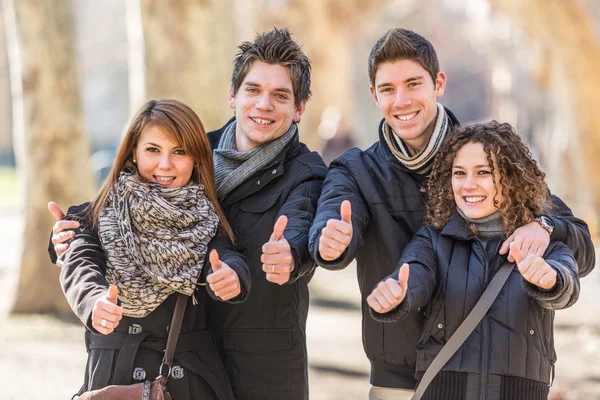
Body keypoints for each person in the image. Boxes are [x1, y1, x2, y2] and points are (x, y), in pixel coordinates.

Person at [308, 28, 595, 399]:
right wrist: (329, 242)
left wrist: (544, 226)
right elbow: (332, 218)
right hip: (396, 376)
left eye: (413, 84)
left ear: (438, 83)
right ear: (374, 97)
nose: (402, 100)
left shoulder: (484, 156)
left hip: (489, 374)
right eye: (388, 89)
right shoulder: (355, 170)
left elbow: (580, 248)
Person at [49, 28, 327, 400]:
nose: (264, 105)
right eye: (253, 90)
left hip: (260, 368)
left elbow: (296, 230)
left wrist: (289, 255)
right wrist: (63, 240)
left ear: (299, 109)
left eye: (280, 95)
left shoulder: (305, 172)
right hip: (184, 355)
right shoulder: (193, 147)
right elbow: (97, 224)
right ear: (233, 95)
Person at [367, 120, 580, 399]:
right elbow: (415, 272)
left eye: (484, 172)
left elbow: (568, 282)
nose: (468, 185)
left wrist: (551, 280)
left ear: (511, 177)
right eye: (459, 173)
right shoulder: (435, 238)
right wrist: (398, 293)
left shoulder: (539, 240)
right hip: (443, 390)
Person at [55, 99, 250, 400]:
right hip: (115, 374)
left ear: (197, 158)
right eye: (153, 150)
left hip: (186, 382)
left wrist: (232, 277)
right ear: (133, 152)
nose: (165, 165)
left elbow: (224, 257)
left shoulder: (207, 218)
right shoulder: (97, 213)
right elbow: (80, 262)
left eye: (180, 152)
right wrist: (93, 301)